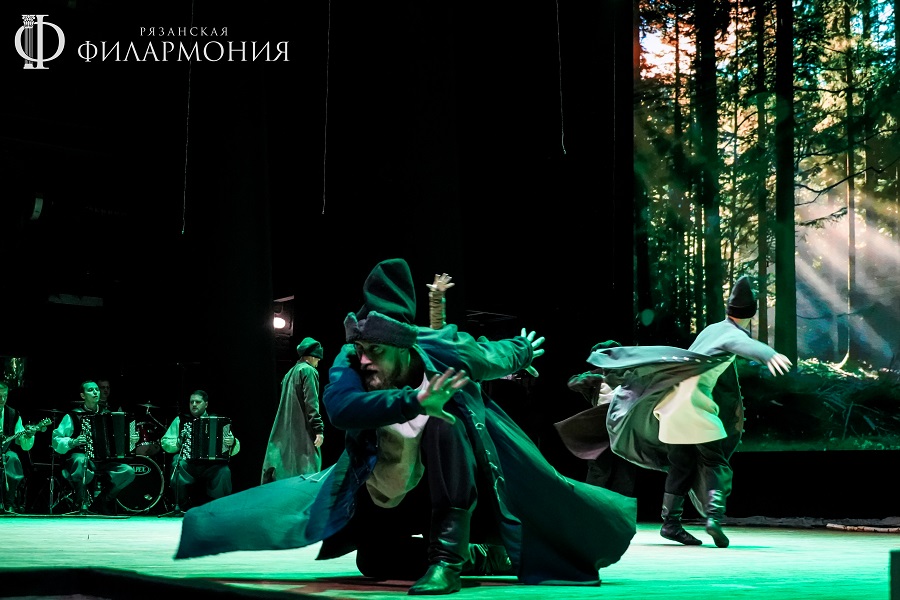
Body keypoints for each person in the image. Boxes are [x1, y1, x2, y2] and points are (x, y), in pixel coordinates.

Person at [174, 258, 637, 596]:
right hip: (386, 488)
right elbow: (341, 408)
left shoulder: (438, 351)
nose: (364, 359)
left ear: (401, 346)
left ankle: (448, 559)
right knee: (373, 562)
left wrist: (521, 350)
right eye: (361, 349)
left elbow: (489, 355)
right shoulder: (351, 359)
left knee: (443, 418)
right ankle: (478, 556)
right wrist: (411, 400)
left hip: (451, 488)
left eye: (375, 350)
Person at [556, 275, 792, 548]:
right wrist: (767, 354)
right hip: (695, 406)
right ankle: (714, 516)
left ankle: (671, 524)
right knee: (715, 460)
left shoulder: (712, 329)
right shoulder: (732, 334)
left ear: (729, 310)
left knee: (682, 462)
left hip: (670, 406)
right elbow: (741, 345)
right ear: (750, 315)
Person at [50, 380, 140, 515]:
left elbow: (120, 440)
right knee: (80, 461)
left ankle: (101, 502)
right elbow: (56, 439)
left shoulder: (108, 414)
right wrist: (73, 442)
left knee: (128, 472)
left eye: (97, 390)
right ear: (82, 395)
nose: (95, 392)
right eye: (90, 390)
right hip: (80, 456)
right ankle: (81, 502)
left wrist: (131, 440)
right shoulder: (73, 416)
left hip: (104, 461)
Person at [564, 340, 639, 497]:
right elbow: (573, 382)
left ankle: (621, 509)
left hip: (625, 431)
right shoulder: (597, 375)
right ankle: (592, 507)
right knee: (598, 471)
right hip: (601, 430)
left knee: (625, 474)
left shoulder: (629, 375)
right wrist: (596, 378)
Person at [160, 390, 239, 510]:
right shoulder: (181, 419)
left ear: (206, 404)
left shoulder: (218, 421)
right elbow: (165, 441)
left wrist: (232, 442)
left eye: (197, 402)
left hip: (212, 465)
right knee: (177, 462)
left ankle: (219, 507)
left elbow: (232, 445)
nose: (194, 404)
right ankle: (182, 505)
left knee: (224, 471)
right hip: (189, 465)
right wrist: (178, 442)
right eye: (191, 402)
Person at [262, 337, 325, 484]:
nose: (318, 361)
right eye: (317, 358)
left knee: (285, 474)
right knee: (307, 475)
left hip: (285, 433)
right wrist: (318, 429)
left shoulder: (289, 373)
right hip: (302, 433)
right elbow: (311, 403)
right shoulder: (308, 371)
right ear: (311, 356)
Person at [1, 381, 41, 513]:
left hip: (5, 452)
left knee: (13, 458)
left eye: (4, 396)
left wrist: (28, 435)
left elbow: (20, 441)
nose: (2, 399)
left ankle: (9, 502)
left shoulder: (13, 414)